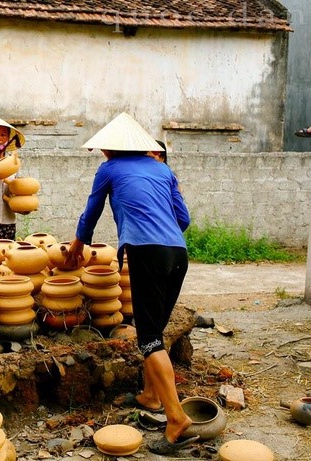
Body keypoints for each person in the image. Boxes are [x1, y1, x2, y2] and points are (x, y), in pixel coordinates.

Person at [64, 113, 199, 456]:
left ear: (110, 148)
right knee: (154, 327)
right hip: (178, 254)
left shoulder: (109, 170)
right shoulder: (163, 169)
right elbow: (183, 218)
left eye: (104, 149)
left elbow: (91, 212)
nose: (103, 154)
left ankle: (176, 418)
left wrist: (77, 247)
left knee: (148, 338)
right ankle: (152, 396)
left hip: (146, 253)